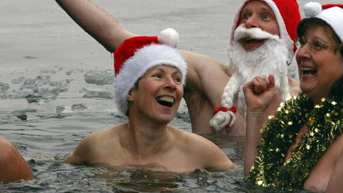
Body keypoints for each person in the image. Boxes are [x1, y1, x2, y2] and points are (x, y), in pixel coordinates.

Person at [19, 0, 302, 135]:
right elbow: (118, 39)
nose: (250, 23)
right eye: (245, 16)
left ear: (289, 41)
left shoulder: (307, 100)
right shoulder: (208, 75)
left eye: (266, 17)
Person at [243, 2, 343, 193]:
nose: (302, 53)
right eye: (302, 42)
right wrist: (255, 115)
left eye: (317, 45)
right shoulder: (293, 117)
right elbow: (254, 187)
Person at [64, 29, 235, 172]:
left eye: (177, 79)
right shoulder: (96, 147)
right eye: (158, 76)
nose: (171, 85)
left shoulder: (201, 152)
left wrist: (256, 113)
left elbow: (252, 184)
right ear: (131, 92)